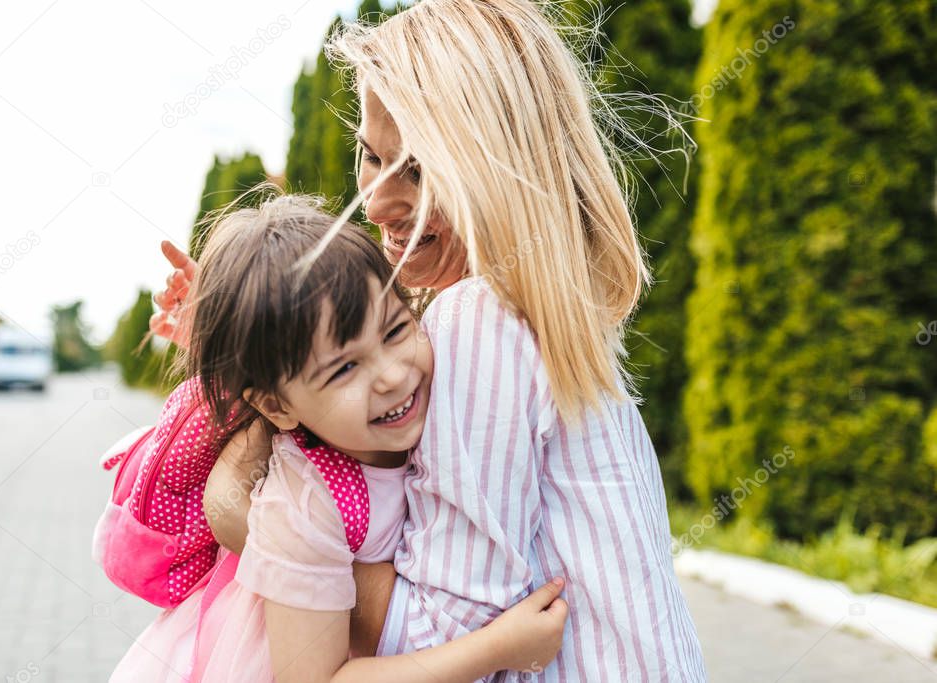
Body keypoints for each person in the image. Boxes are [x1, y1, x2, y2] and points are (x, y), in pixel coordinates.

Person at [153, 1, 707, 679]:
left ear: (498, 170)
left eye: (416, 169)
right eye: (370, 154)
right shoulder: (531, 305)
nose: (377, 201)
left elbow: (442, 633)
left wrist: (257, 527)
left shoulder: (479, 319)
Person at [116, 194, 567, 683]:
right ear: (276, 407)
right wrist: (496, 648)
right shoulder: (307, 501)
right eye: (346, 367)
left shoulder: (435, 395)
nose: (392, 375)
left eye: (396, 330)